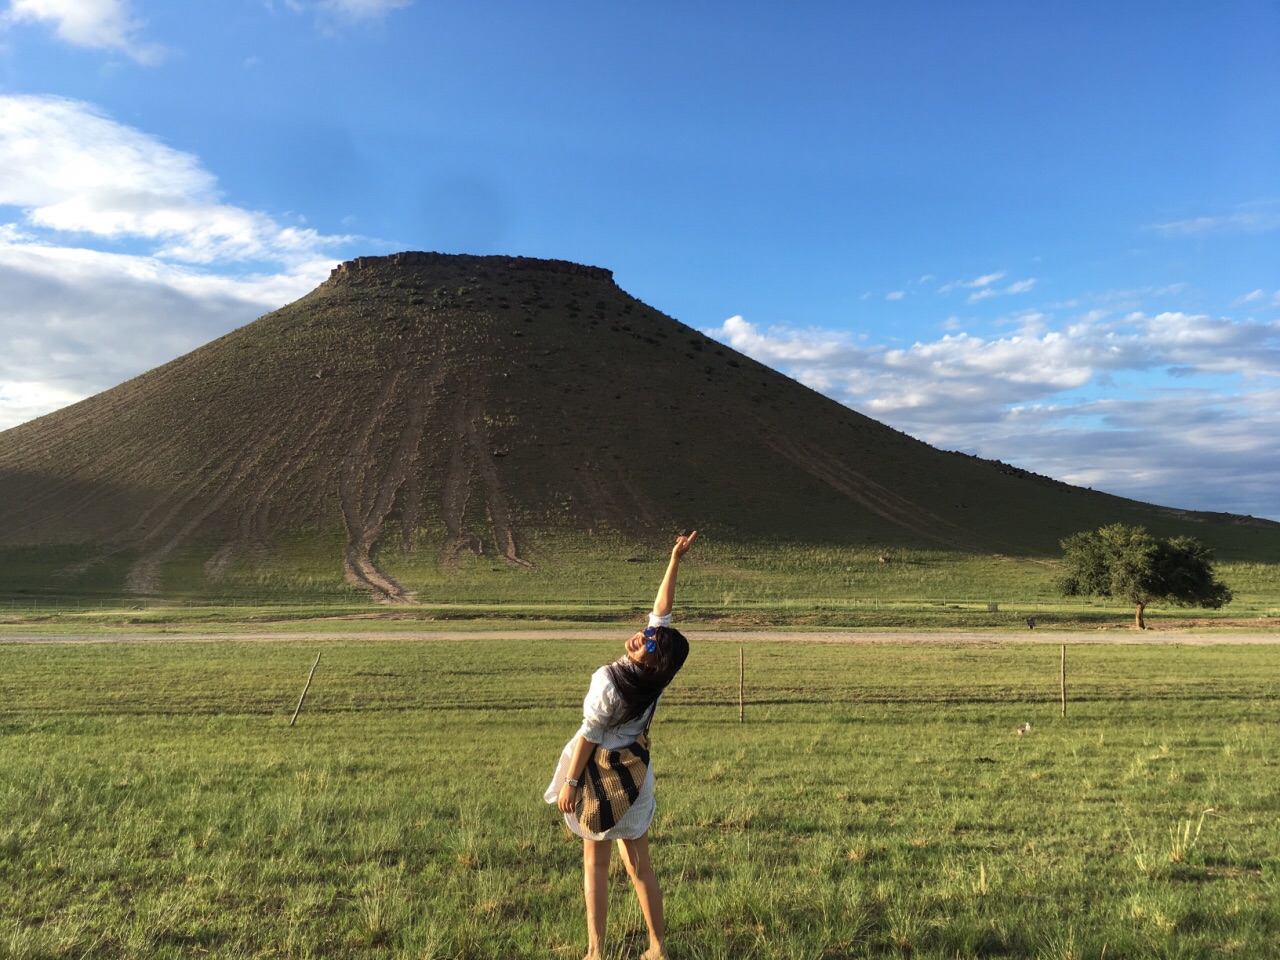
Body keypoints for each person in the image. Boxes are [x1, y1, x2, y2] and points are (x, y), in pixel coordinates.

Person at [545, 531, 698, 960]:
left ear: (654, 662)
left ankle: (596, 953)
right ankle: (657, 948)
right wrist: (674, 559)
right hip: (636, 776)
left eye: (649, 644)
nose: (642, 638)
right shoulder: (653, 680)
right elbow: (662, 613)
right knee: (640, 868)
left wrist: (571, 781)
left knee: (595, 865)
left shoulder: (608, 681)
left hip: (597, 776)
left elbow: (591, 735)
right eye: (647, 635)